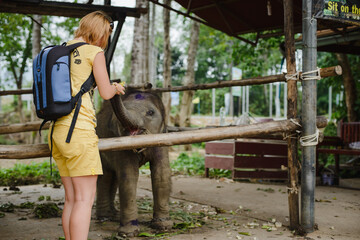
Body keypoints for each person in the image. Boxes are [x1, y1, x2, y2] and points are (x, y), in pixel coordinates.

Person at [48, 11, 125, 240]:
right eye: (107, 34)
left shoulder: (62, 49)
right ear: (101, 31)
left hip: (57, 132)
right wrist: (116, 87)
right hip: (79, 132)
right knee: (84, 200)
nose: (106, 39)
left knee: (72, 199)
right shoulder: (94, 52)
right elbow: (106, 92)